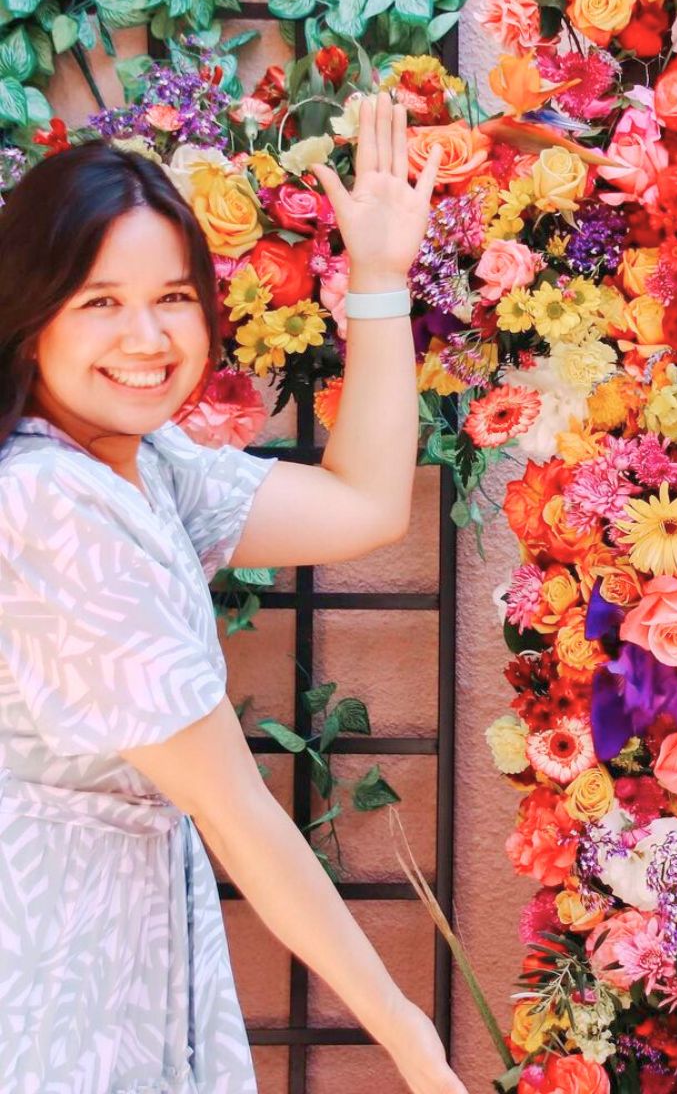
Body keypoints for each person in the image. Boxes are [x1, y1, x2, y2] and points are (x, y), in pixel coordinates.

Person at [0, 94, 467, 1093]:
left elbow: (361, 506)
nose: (147, 336)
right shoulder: (47, 503)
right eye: (98, 301)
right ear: (28, 315)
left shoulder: (138, 465)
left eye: (173, 297)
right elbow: (235, 808)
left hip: (116, 962)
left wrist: (380, 280)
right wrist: (407, 1036)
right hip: (47, 985)